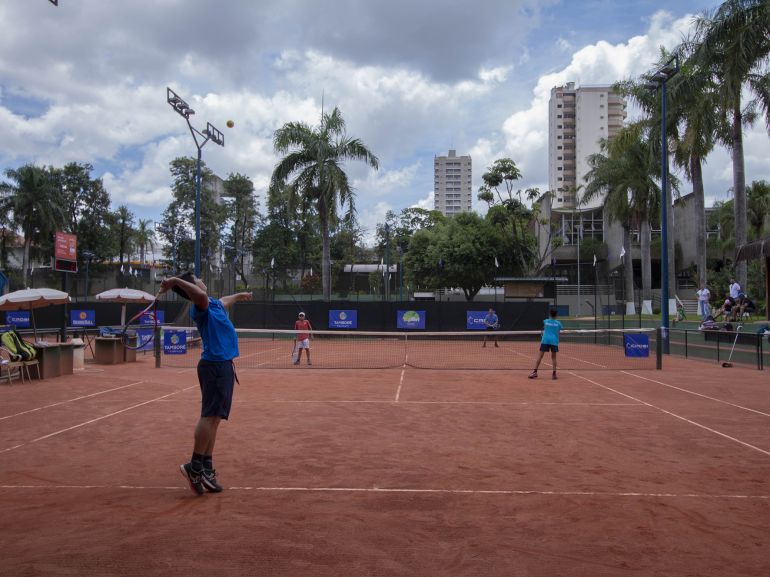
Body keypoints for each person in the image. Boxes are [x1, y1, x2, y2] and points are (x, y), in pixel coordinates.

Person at [159, 272, 252, 496]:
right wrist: (175, 282)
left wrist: (239, 295)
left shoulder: (214, 304)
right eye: (198, 279)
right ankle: (195, 466)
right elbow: (199, 294)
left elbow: (225, 300)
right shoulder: (200, 305)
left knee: (215, 419)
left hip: (224, 366)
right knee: (209, 416)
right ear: (193, 286)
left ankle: (206, 468)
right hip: (215, 367)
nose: (203, 280)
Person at [529, 308, 563, 380]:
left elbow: (544, 329)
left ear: (550, 314)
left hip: (545, 340)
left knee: (540, 356)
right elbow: (559, 333)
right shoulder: (559, 323)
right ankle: (554, 374)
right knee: (554, 358)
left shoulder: (545, 321)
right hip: (554, 341)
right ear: (556, 315)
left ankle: (535, 372)